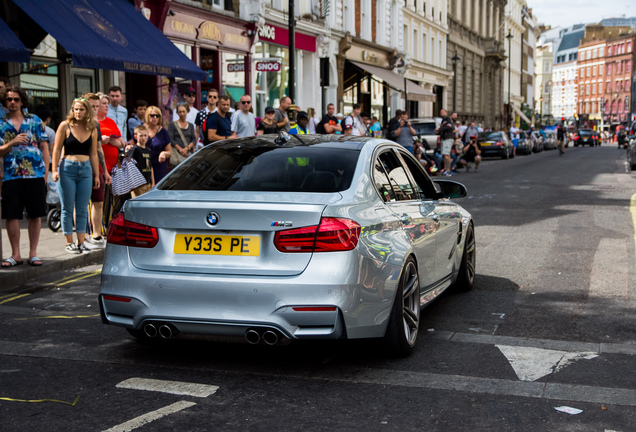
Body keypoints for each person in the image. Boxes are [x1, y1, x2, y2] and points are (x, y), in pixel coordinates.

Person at [0, 85, 50, 267]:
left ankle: (33, 253)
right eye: (9, 99)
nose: (12, 103)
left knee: (35, 214)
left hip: (34, 173)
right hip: (11, 175)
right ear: (5, 102)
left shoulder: (34, 120)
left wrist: (46, 172)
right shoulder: (1, 122)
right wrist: (12, 142)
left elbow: (44, 146)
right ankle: (15, 254)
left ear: (22, 101)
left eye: (16, 99)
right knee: (11, 215)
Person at [51, 98, 100, 254]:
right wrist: (54, 170)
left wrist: (97, 175)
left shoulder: (92, 128)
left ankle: (81, 242)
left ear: (87, 111)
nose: (78, 112)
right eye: (76, 109)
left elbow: (93, 153)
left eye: (81, 109)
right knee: (67, 208)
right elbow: (57, 149)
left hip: (86, 170)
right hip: (67, 169)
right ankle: (69, 242)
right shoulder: (65, 126)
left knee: (82, 208)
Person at [84, 92, 112, 246]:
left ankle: (96, 235)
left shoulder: (96, 125)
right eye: (92, 106)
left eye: (96, 106)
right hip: (79, 167)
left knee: (98, 201)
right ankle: (82, 235)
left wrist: (105, 171)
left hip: (96, 169)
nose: (94, 109)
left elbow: (99, 148)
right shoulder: (71, 124)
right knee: (80, 203)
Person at [145, 106, 171, 182]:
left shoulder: (163, 132)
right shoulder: (141, 129)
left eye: (157, 116)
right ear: (147, 116)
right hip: (144, 165)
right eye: (152, 115)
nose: (155, 117)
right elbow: (133, 145)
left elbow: (169, 152)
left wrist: (164, 153)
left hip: (159, 165)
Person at [128, 124, 154, 197]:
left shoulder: (148, 150)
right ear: (136, 136)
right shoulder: (134, 150)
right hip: (138, 184)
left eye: (145, 135)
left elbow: (151, 167)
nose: (143, 138)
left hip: (148, 182)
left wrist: (153, 182)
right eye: (141, 136)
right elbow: (130, 167)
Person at [437, 109, 454, 176]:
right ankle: (445, 169)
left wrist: (439, 129)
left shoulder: (448, 119)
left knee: (446, 154)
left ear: (446, 112)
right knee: (445, 155)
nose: (441, 113)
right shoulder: (443, 120)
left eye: (443, 112)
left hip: (448, 138)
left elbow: (449, 127)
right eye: (441, 112)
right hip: (444, 138)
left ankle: (448, 170)